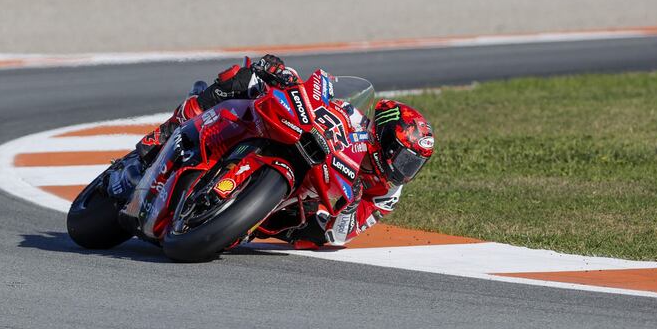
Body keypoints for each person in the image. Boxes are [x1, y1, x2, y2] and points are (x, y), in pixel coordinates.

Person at [128, 54, 434, 249]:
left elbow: (343, 233)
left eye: (413, 165)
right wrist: (283, 74)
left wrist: (341, 212)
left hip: (295, 201)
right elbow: (318, 93)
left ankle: (224, 217)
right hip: (284, 135)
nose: (404, 170)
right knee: (242, 80)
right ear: (383, 136)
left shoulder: (387, 193)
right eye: (404, 157)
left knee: (300, 230)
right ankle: (166, 132)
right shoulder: (353, 117)